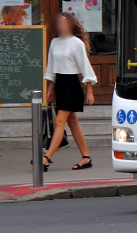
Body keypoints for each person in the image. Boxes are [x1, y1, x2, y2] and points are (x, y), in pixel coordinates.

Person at [40, 13, 97, 171]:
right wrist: (50, 89)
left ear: (71, 25)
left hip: (72, 85)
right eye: (59, 24)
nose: (61, 26)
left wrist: (89, 91)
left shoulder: (76, 43)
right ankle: (86, 157)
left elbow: (85, 66)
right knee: (72, 123)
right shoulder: (55, 42)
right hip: (60, 84)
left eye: (64, 24)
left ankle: (47, 158)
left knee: (59, 122)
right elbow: (51, 67)